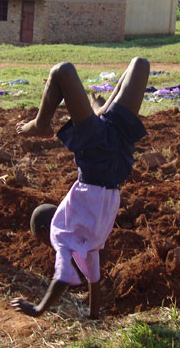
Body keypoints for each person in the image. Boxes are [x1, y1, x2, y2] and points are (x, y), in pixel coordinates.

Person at [11, 57, 150, 319]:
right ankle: (99, 111)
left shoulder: (60, 233)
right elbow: (92, 280)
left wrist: (39, 309)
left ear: (45, 230)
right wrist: (93, 314)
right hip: (108, 156)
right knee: (133, 65)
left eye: (43, 241)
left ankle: (41, 125)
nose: (48, 245)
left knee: (134, 66)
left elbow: (65, 276)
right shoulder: (85, 242)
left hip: (110, 164)